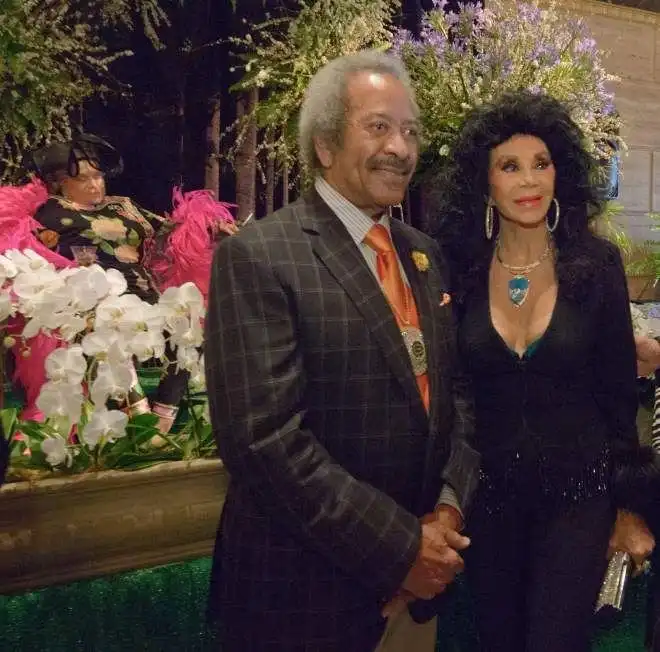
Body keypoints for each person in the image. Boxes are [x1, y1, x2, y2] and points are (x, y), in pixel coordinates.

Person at [204, 50, 480, 651]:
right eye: (378, 126)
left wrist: (448, 511)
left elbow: (455, 393)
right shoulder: (261, 256)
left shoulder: (424, 254)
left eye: (410, 131)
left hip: (421, 589)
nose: (400, 148)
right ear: (325, 145)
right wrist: (402, 550)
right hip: (305, 599)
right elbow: (264, 441)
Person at [432, 91, 656, 651]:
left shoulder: (596, 265)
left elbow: (618, 397)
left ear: (561, 174)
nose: (529, 180)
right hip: (489, 503)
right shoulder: (458, 268)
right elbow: (453, 391)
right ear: (485, 182)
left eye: (541, 163)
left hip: (579, 499)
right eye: (509, 166)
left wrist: (629, 506)